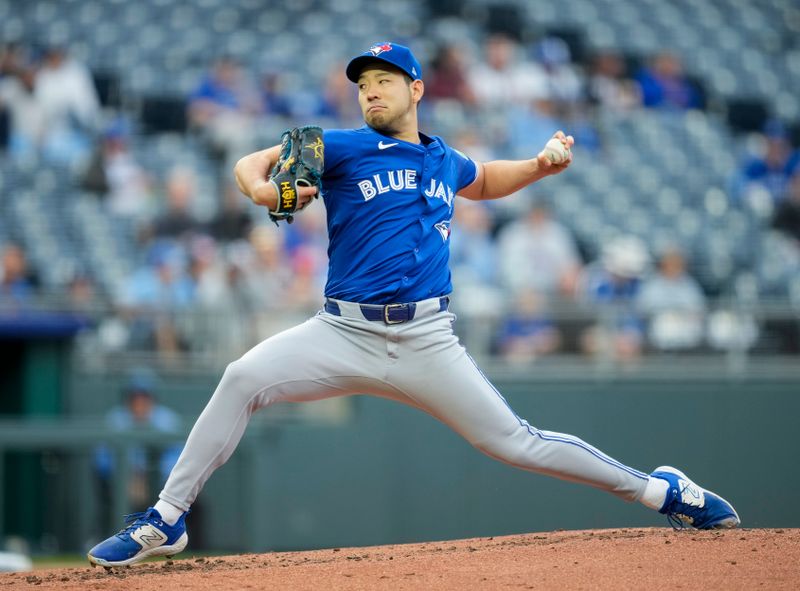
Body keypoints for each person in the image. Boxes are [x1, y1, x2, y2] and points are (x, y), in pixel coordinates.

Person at [88, 42, 739, 568]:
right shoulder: (337, 145)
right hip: (340, 332)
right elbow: (249, 161)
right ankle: (165, 519)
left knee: (518, 443)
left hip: (428, 339)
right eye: (363, 82)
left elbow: (484, 180)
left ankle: (662, 490)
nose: (370, 90)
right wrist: (264, 191)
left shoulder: (440, 157)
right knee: (240, 378)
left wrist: (540, 165)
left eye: (384, 80)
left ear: (417, 89)